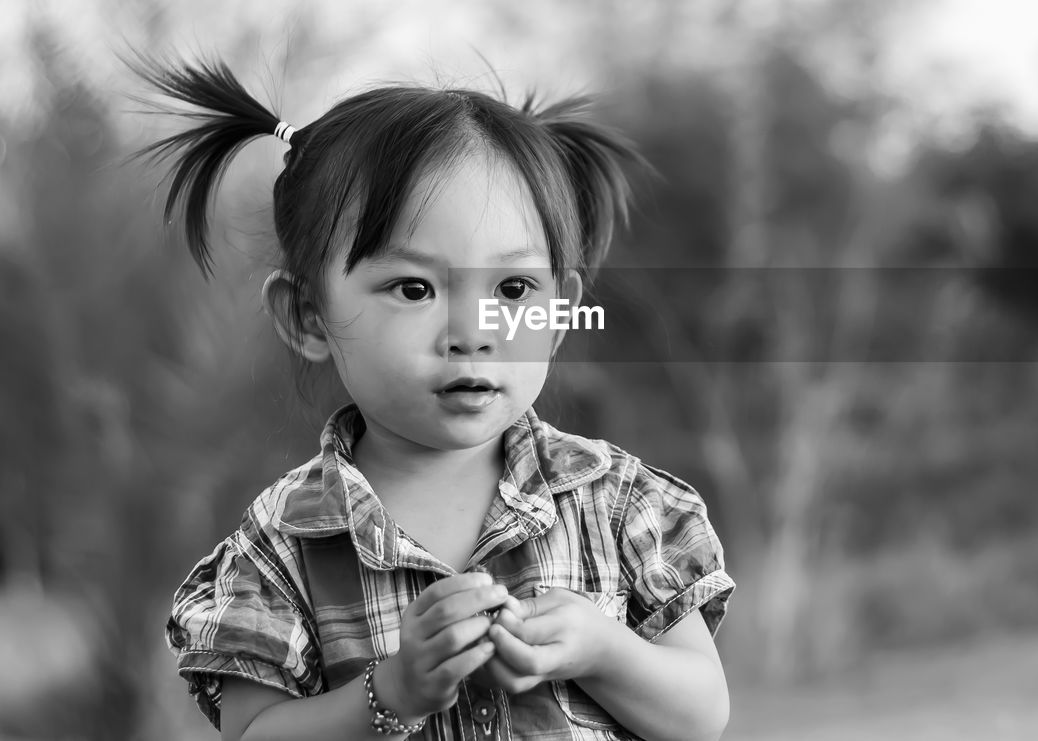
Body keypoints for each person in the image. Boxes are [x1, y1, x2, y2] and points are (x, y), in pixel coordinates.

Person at [139, 57, 735, 741]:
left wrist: (605, 648)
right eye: (415, 288)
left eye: (512, 290)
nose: (473, 334)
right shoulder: (283, 546)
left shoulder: (619, 503)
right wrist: (391, 690)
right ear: (308, 315)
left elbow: (700, 714)